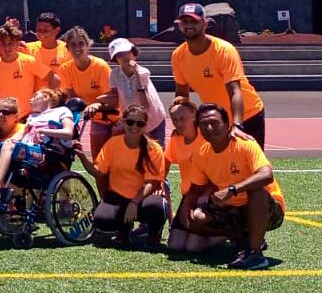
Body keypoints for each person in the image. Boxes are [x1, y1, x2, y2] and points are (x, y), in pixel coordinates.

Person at [176, 103, 285, 270]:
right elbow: (196, 188)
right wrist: (186, 207)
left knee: (257, 192)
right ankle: (243, 239)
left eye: (214, 122)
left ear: (227, 125)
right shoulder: (201, 154)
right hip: (230, 208)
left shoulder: (245, 144)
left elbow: (266, 175)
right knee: (196, 218)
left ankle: (254, 254)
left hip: (265, 208)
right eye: (203, 124)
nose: (209, 127)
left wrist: (231, 190)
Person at [171, 3, 267, 147]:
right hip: (216, 119)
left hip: (247, 115)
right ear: (179, 25)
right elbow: (181, 93)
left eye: (194, 21)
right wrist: (183, 122)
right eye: (185, 21)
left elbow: (235, 91)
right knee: (219, 167)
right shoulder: (178, 55)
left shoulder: (223, 50)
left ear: (205, 23)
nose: (189, 25)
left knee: (251, 168)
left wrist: (237, 125)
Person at [79, 104, 169, 249]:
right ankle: (124, 229)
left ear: (145, 126)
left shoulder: (153, 148)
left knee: (156, 207)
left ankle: (154, 231)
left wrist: (134, 202)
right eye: (130, 122)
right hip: (118, 195)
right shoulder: (113, 144)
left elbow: (152, 182)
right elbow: (99, 172)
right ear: (122, 121)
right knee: (102, 219)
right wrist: (82, 157)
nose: (134, 126)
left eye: (140, 123)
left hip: (142, 197)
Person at [0, 88, 73, 199]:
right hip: (26, 150)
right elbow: (21, 135)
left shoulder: (62, 111)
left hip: (45, 153)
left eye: (34, 96)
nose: (30, 100)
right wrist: (10, 140)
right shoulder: (33, 117)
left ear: (46, 97)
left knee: (8, 146)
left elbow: (68, 133)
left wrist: (43, 131)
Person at [163, 99, 225, 254]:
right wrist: (158, 183)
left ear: (193, 115)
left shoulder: (206, 137)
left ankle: (231, 234)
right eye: (175, 120)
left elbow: (216, 173)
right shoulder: (176, 139)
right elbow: (165, 163)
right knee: (175, 246)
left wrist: (206, 193)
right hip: (189, 196)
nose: (178, 123)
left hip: (207, 195)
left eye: (182, 118)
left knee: (192, 247)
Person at [98, 38, 167, 145]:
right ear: (116, 59)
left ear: (134, 54)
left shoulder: (143, 72)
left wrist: (137, 75)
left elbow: (145, 105)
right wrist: (98, 101)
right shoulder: (114, 74)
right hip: (134, 120)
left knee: (157, 151)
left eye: (127, 52)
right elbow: (116, 98)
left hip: (154, 118)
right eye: (120, 55)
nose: (125, 56)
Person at [57, 27, 114, 153]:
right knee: (97, 158)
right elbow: (72, 99)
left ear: (88, 45)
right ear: (67, 48)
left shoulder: (100, 66)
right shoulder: (65, 69)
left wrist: (96, 104)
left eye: (81, 44)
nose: (77, 48)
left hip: (115, 115)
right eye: (73, 44)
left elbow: (111, 97)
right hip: (95, 118)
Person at [0, 25, 41, 122]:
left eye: (10, 43)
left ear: (17, 44)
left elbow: (53, 78)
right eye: (3, 44)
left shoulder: (29, 61)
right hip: (2, 119)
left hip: (27, 118)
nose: (7, 47)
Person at [24, 12, 67, 89]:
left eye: (46, 30)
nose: (41, 33)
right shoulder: (27, 49)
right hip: (37, 99)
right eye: (38, 30)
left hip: (61, 98)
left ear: (56, 30)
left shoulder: (67, 50)